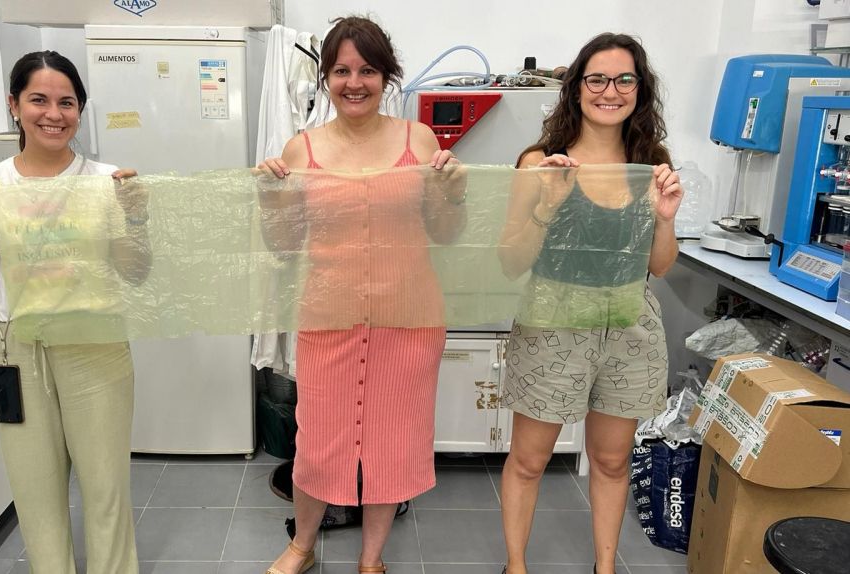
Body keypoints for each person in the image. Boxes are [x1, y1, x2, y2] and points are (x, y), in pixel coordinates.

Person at [257, 15, 466, 574]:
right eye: (342, 71)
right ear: (325, 78)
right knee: (317, 442)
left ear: (386, 76)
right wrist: (271, 199)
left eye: (368, 70)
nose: (355, 83)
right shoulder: (300, 150)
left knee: (391, 445)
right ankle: (301, 546)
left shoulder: (418, 141)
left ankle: (371, 558)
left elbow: (446, 233)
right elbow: (282, 245)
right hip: (328, 320)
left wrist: (454, 191)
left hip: (408, 320)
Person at [0, 50, 149, 574]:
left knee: (105, 486)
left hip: (95, 344)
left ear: (80, 110)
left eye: (67, 102)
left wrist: (134, 219)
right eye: (39, 100)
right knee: (35, 491)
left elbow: (135, 272)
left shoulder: (106, 182)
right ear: (14, 105)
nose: (54, 114)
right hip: (17, 351)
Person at [496, 33, 683, 574]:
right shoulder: (541, 163)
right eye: (597, 79)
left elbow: (659, 266)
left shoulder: (651, 163)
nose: (610, 91)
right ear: (576, 88)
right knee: (529, 460)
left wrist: (665, 219)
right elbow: (510, 261)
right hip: (553, 326)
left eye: (624, 79)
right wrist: (547, 205)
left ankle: (605, 568)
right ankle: (516, 566)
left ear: (639, 89)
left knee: (611, 460)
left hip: (629, 329)